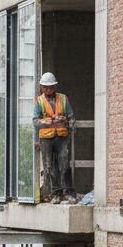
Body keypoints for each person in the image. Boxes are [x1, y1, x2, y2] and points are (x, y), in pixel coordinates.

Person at [34, 72, 77, 204]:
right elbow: (35, 121)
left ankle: (68, 192)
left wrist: (67, 122)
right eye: (45, 87)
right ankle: (55, 193)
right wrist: (38, 137)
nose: (48, 90)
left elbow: (71, 117)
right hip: (46, 139)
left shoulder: (63, 99)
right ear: (42, 88)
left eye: (50, 87)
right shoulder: (39, 101)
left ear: (55, 87)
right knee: (50, 166)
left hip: (61, 137)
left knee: (64, 165)